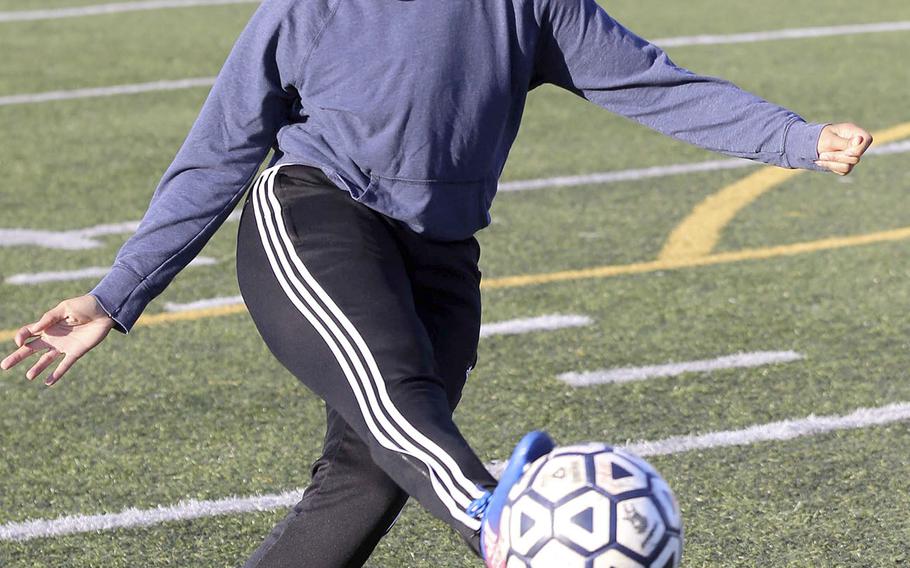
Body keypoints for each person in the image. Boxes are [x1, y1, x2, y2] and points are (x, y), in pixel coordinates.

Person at [1, 0, 872, 565]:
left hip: (443, 258)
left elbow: (651, 84)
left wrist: (796, 138)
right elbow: (217, 156)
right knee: (396, 394)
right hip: (315, 216)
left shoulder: (532, 4)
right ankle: (502, 527)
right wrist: (115, 295)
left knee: (370, 476)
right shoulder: (306, 9)